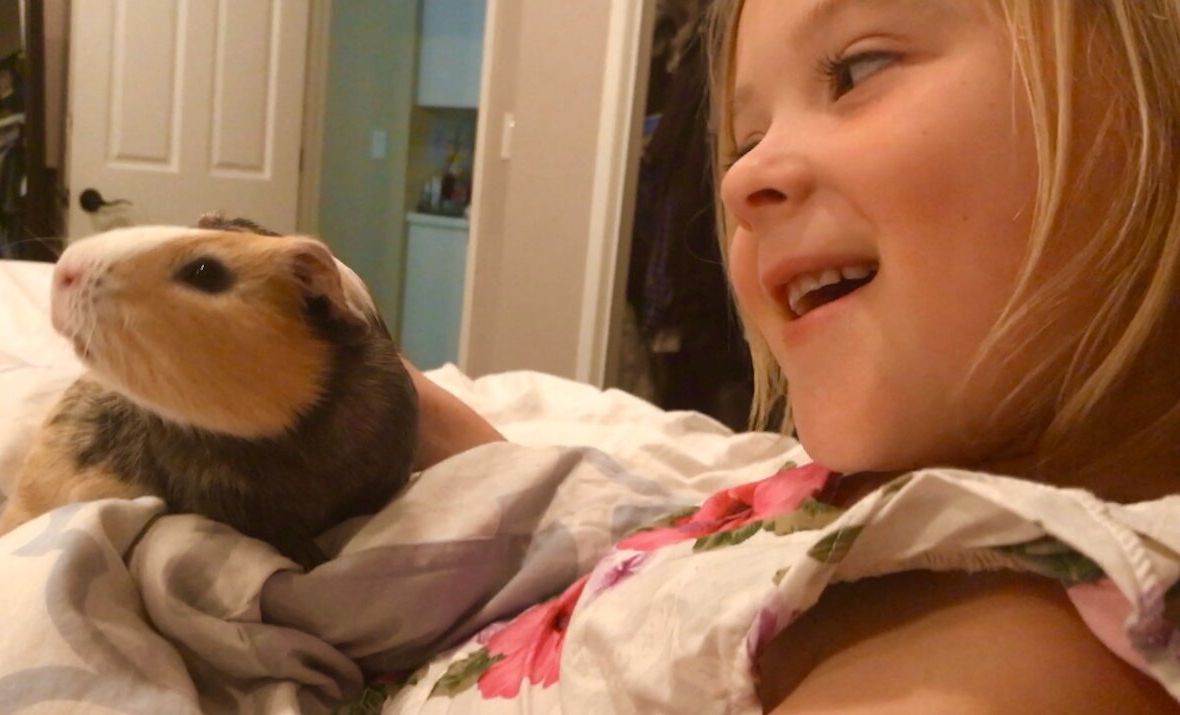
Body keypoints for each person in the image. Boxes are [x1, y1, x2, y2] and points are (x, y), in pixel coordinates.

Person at [394, 0, 1180, 711]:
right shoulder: (920, 486)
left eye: (857, 69)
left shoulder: (1009, 655)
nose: (739, 180)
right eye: (747, 139)